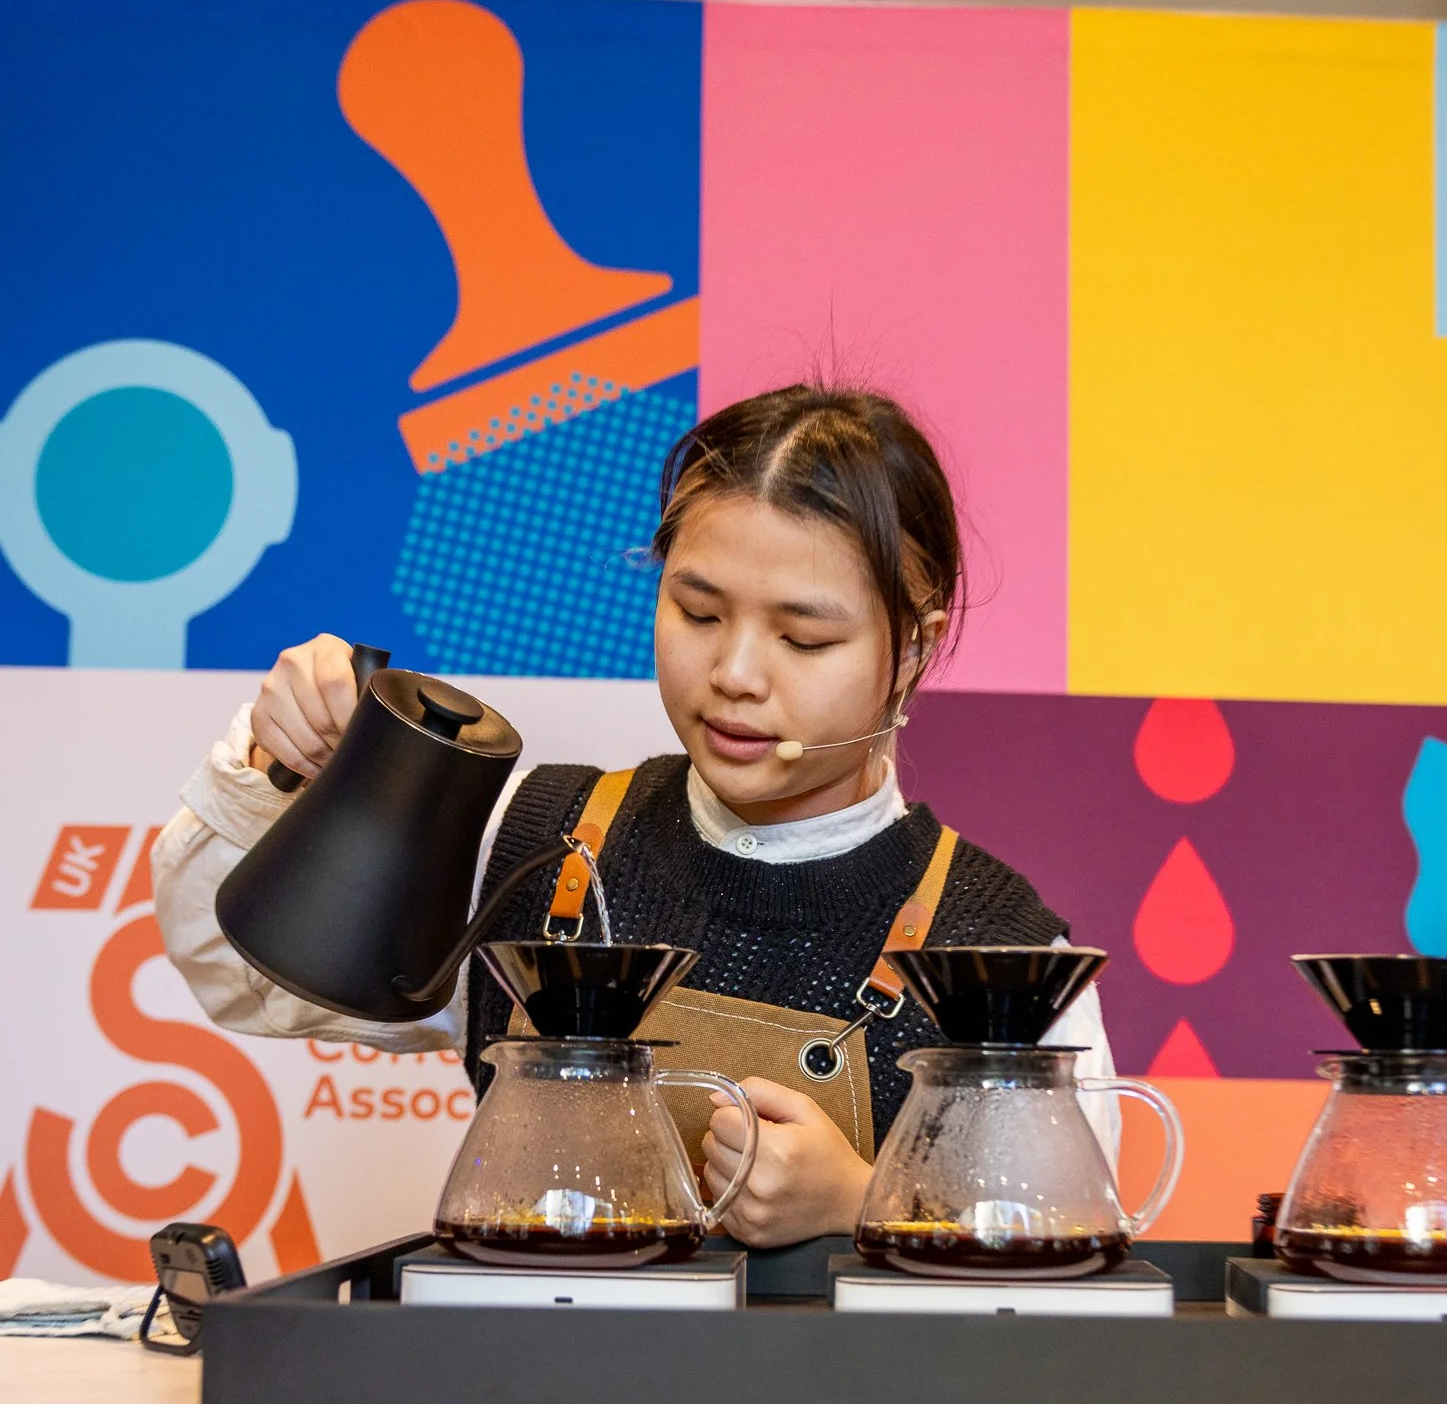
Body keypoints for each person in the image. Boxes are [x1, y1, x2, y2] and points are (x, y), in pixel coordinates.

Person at [154, 384, 1117, 1247]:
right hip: (544, 1381)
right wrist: (283, 767)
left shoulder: (999, 949)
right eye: (697, 613)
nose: (734, 675)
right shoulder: (537, 842)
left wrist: (864, 1203)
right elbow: (240, 977)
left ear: (912, 648)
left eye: (802, 638)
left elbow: (1061, 1265)